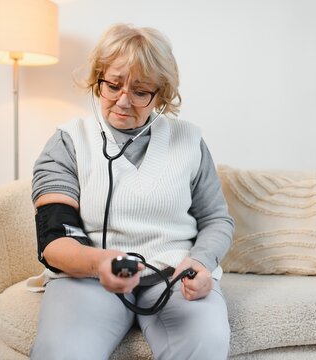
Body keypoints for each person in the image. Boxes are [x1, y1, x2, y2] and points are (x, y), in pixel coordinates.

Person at [29, 24, 234, 359]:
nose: (123, 101)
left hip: (173, 277)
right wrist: (100, 263)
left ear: (161, 95)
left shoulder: (190, 141)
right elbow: (55, 241)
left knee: (207, 339)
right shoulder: (68, 142)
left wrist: (200, 262)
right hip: (88, 276)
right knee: (61, 350)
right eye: (113, 85)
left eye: (141, 92)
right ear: (98, 79)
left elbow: (216, 220)